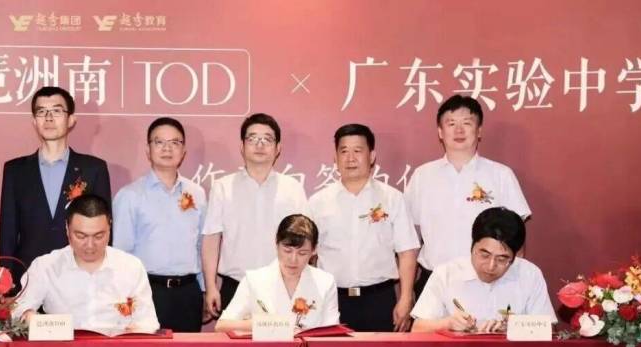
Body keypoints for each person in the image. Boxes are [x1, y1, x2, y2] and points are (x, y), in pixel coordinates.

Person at [405, 95, 530, 298]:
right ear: (440, 132)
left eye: (467, 123)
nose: (459, 130)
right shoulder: (423, 176)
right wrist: (406, 292)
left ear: (479, 131)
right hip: (433, 281)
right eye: (451, 123)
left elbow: (517, 237)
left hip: (488, 282)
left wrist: (512, 286)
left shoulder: (500, 175)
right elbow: (409, 239)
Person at [0, 86, 111, 291]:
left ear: (71, 120)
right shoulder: (15, 170)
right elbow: (8, 231)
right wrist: (6, 282)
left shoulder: (93, 169)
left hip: (81, 277)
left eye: (57, 111)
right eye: (42, 111)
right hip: (28, 278)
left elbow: (104, 228)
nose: (49, 118)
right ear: (34, 121)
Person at [308, 124, 420, 331]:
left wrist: (405, 298)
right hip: (332, 300)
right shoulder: (317, 203)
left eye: (358, 151)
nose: (350, 158)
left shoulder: (392, 198)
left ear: (372, 156)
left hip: (379, 300)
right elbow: (308, 256)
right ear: (335, 158)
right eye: (344, 151)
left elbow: (407, 252)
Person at [202, 113, 308, 318]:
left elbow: (305, 242)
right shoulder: (223, 187)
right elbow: (212, 239)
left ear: (278, 148)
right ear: (242, 146)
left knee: (282, 340)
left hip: (283, 286)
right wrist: (211, 286)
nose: (260, 144)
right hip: (235, 286)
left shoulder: (292, 189)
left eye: (267, 139)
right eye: (252, 138)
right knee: (233, 340)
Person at [13, 195, 159, 335]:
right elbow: (17, 312)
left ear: (109, 229)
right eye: (81, 236)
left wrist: (137, 330)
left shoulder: (131, 267)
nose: (90, 245)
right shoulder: (46, 267)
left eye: (99, 236)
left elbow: (148, 322)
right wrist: (28, 316)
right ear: (67, 230)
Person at [113, 117, 206, 332]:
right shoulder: (129, 196)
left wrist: (202, 290)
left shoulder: (198, 194)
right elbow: (121, 254)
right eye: (159, 142)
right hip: (147, 293)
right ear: (148, 150)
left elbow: (200, 246)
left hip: (188, 293)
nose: (167, 148)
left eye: (175, 142)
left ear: (183, 151)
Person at [411, 207, 556, 333]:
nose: (491, 266)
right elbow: (417, 329)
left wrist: (514, 329)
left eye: (502, 259)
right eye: (484, 255)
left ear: (515, 256)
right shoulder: (446, 273)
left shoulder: (529, 275)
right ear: (472, 246)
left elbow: (549, 330)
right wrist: (447, 324)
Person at [215, 214, 338, 332]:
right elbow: (222, 326)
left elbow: (332, 333)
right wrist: (263, 324)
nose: (293, 259)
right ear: (276, 244)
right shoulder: (254, 279)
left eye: (302, 253)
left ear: (314, 250)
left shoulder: (325, 282)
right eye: (287, 251)